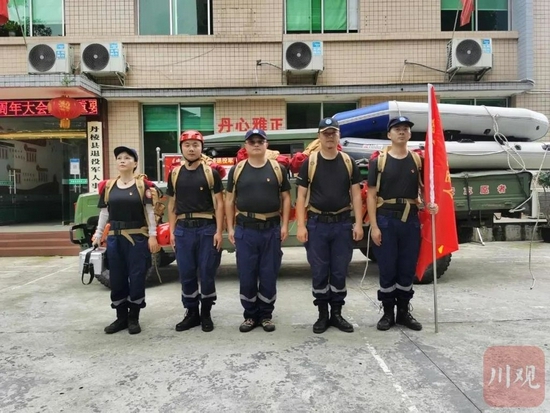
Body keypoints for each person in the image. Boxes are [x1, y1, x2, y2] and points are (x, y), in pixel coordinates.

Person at [367, 116, 437, 332]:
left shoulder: (417, 160)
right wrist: (374, 226)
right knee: (388, 268)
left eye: (405, 129)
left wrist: (430, 205)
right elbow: (370, 195)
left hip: (410, 221)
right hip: (386, 219)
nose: (401, 132)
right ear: (389, 134)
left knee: (407, 268)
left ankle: (404, 312)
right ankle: (388, 313)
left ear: (410, 134)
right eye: (397, 129)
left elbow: (426, 188)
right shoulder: (378, 161)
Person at [295, 118, 364, 334]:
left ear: (338, 135)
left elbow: (356, 194)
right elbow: (301, 196)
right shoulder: (311, 162)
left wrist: (359, 224)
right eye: (325, 133)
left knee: (339, 270)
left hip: (342, 224)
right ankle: (322, 315)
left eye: (333, 132)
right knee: (319, 271)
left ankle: (337, 313)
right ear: (319, 136)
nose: (330, 136)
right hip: (317, 225)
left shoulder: (348, 161)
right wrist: (300, 226)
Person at [225, 128, 291, 333]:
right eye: (251, 141)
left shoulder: (277, 168)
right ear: (245, 146)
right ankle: (250, 316)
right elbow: (229, 200)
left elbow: (287, 197)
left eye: (259, 141)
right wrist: (230, 228)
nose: (255, 144)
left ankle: (266, 315)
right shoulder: (237, 170)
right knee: (247, 274)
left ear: (266, 144)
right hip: (246, 229)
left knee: (269, 273)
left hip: (271, 229)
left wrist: (285, 225)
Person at [92, 146, 160, 335]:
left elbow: (150, 213)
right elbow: (104, 213)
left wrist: (152, 236)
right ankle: (120, 317)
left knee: (137, 276)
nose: (122, 160)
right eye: (119, 158)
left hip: (137, 238)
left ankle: (133, 318)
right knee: (117, 277)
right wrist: (98, 234)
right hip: (115, 238)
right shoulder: (108, 187)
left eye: (127, 158)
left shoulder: (143, 186)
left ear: (135, 163)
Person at [167, 130, 224, 333]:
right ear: (181, 148)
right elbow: (172, 204)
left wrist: (219, 231)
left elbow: (219, 203)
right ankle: (191, 312)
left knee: (207, 272)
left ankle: (206, 313)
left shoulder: (210, 173)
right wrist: (172, 231)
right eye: (187, 145)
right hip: (183, 230)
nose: (191, 149)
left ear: (202, 148)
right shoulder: (175, 173)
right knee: (186, 272)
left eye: (196, 145)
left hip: (206, 228)